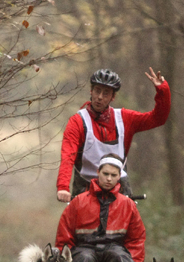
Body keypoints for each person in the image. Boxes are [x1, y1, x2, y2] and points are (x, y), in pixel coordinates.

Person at [56, 67, 170, 203]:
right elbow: (68, 155)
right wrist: (63, 187)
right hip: (86, 185)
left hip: (119, 186)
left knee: (129, 223)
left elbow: (158, 119)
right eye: (97, 91)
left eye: (106, 93)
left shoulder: (124, 118)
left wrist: (162, 90)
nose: (99, 97)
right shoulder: (77, 121)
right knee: (79, 223)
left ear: (113, 97)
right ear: (91, 91)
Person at [55, 154, 145, 262]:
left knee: (120, 258)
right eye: (105, 174)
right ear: (97, 173)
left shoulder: (127, 205)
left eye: (113, 175)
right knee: (84, 258)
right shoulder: (78, 202)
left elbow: (136, 239)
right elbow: (64, 237)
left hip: (114, 247)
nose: (109, 178)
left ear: (119, 177)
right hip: (84, 248)